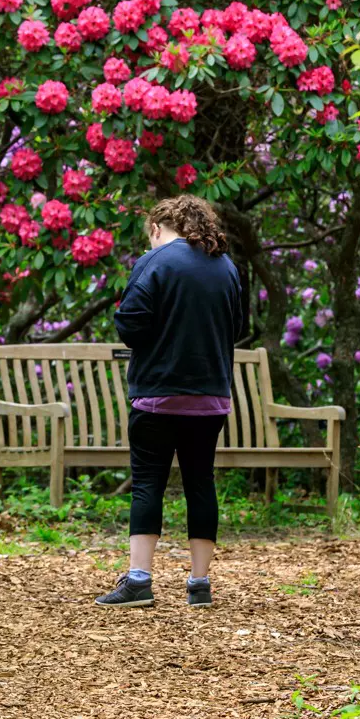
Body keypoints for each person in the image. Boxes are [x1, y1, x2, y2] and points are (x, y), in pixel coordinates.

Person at [96, 195, 246, 610]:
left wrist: (157, 341)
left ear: (159, 229)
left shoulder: (155, 261)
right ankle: (199, 583)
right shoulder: (227, 266)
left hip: (157, 395)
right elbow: (237, 326)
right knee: (201, 482)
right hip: (210, 397)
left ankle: (140, 580)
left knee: (148, 483)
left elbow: (130, 324)